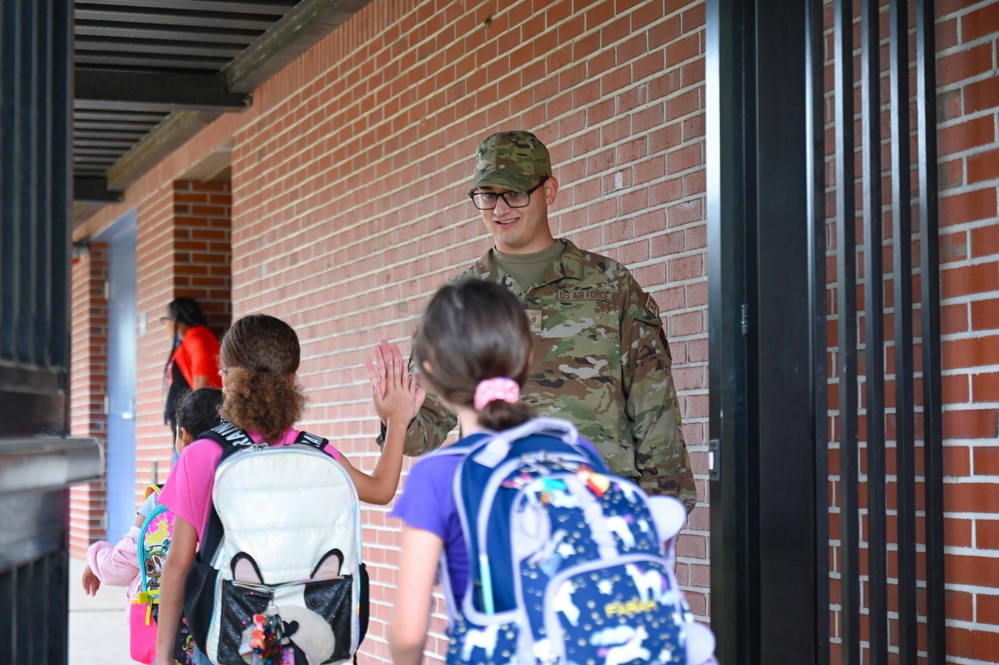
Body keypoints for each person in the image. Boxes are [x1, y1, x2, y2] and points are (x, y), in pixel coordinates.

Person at [387, 279, 715, 665]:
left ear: (428, 370)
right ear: (526, 360)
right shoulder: (575, 448)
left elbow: (408, 636)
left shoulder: (438, 474)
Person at [374, 130, 696, 511]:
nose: (499, 209)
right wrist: (397, 418)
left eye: (515, 193)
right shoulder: (462, 300)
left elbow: (653, 403)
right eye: (488, 195)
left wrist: (664, 515)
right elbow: (421, 434)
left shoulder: (610, 284)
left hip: (600, 513)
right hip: (501, 515)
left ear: (549, 190)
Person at [154, 314, 421, 665]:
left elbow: (177, 565)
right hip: (311, 641)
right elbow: (381, 488)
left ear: (225, 378)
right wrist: (397, 420)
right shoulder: (317, 452)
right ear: (292, 380)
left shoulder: (203, 454)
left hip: (232, 636)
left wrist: (162, 657)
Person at [81, 387, 225, 665]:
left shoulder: (158, 502)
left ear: (183, 436)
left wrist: (96, 555)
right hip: (221, 624)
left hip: (164, 631)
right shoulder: (235, 492)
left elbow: (119, 567)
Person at [163, 298, 222, 433]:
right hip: (185, 422)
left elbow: (202, 378)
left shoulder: (198, 337)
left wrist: (195, 418)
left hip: (194, 423)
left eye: (166, 319)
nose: (166, 325)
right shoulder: (190, 340)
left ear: (177, 320)